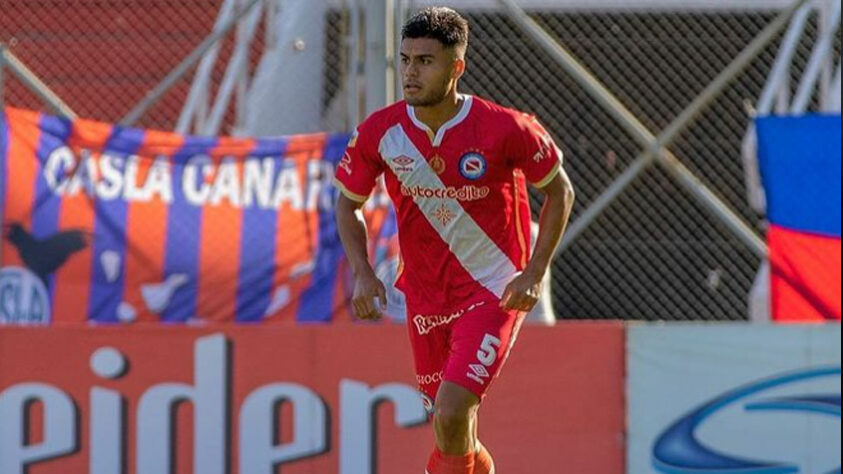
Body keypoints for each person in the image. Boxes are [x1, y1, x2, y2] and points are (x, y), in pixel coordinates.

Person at [333, 7, 575, 473]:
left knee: (451, 408)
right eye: (405, 60)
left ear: (456, 67)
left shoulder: (506, 127)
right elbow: (348, 203)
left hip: (493, 290)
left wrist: (534, 273)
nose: (410, 72)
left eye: (425, 61)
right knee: (450, 427)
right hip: (425, 298)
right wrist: (363, 273)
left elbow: (559, 190)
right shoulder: (381, 132)